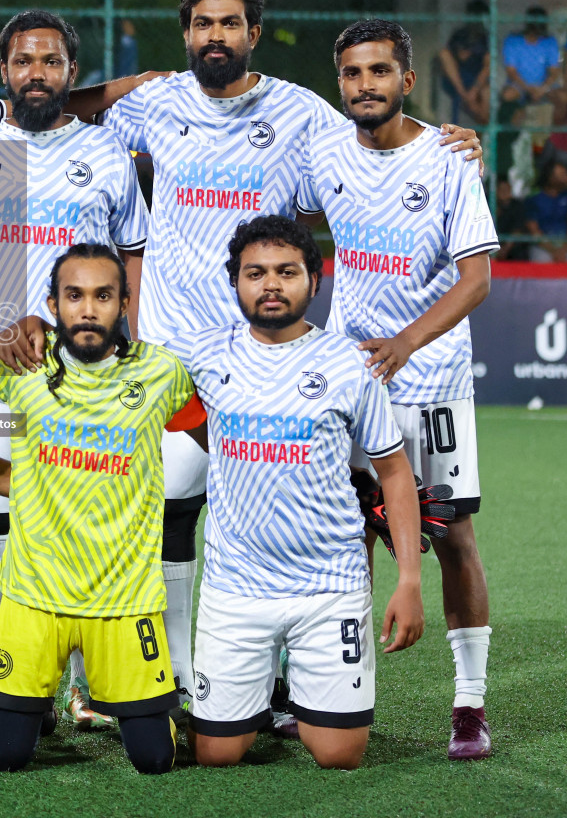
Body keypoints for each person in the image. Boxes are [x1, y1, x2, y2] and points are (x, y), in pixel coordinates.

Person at [0, 0, 480, 731]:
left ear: (252, 33)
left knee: (280, 511)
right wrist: (131, 81)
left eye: (228, 24)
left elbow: (375, 140)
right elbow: (61, 109)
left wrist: (447, 146)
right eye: (200, 24)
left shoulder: (301, 112)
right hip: (163, 357)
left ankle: (294, 681)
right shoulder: (153, 103)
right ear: (185, 34)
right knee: (143, 511)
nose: (213, 36)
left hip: (265, 358)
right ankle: (134, 679)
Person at [0, 10, 150, 730]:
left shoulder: (107, 153)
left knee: (85, 530)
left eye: (50, 62)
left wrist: (132, 353)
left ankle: (86, 690)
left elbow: (133, 258)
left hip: (85, 373)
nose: (36, 74)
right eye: (23, 61)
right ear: (4, 73)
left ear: (70, 74)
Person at [298, 20, 498, 760]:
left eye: (379, 72)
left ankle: (470, 704)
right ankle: (339, 691)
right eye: (352, 74)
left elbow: (477, 279)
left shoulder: (448, 158)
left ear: (407, 81)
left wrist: (406, 343)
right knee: (349, 539)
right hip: (352, 386)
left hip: (433, 386)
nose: (365, 86)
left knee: (451, 539)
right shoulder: (324, 154)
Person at [174, 216, 424, 770]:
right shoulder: (204, 356)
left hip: (328, 585)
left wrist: (408, 579)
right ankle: (252, 699)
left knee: (339, 755)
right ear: (234, 281)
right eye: (255, 273)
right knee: (216, 755)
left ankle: (296, 697)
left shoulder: (351, 364)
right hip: (236, 587)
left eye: (287, 272)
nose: (270, 285)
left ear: (314, 279)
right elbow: (171, 409)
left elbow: (396, 473)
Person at [0, 244, 205, 774]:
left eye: (102, 296)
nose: (88, 309)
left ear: (124, 303)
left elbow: (220, 436)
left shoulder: (163, 374)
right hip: (35, 595)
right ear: (53, 303)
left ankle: (143, 708)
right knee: (5, 757)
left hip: (124, 599)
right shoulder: (22, 363)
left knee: (154, 759)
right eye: (74, 296)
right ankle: (31, 705)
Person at [499, 6, 564, 124]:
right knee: (507, 95)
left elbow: (554, 71)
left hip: (543, 86)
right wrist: (528, 88)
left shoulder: (549, 41)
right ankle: (511, 127)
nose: (536, 34)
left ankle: (555, 132)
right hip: (520, 85)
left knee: (563, 98)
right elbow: (511, 71)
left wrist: (541, 89)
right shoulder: (513, 40)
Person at [438, 0, 491, 125]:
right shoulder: (459, 34)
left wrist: (474, 91)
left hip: (476, 80)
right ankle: (464, 96)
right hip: (458, 81)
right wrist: (464, 93)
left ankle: (486, 129)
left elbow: (487, 66)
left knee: (485, 95)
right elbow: (450, 59)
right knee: (444, 54)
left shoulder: (486, 37)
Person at [525, 161, 567, 264]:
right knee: (541, 261)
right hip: (543, 246)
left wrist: (564, 250)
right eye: (561, 175)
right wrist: (554, 251)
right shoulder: (534, 198)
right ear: (550, 177)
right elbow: (533, 230)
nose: (566, 177)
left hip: (566, 245)